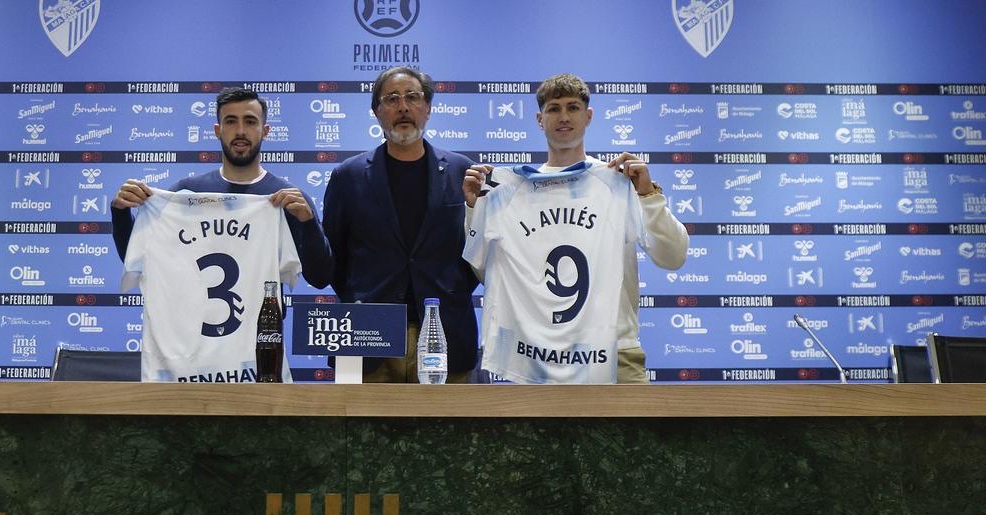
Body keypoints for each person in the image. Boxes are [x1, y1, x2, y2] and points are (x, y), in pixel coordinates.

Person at [463, 73, 688, 384]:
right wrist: (475, 210)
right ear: (540, 119)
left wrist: (649, 196)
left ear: (589, 116)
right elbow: (487, 272)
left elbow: (673, 257)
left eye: (573, 107)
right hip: (533, 357)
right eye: (554, 109)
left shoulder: (619, 183)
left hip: (615, 354)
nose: (564, 117)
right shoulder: (509, 192)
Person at [322, 67, 477, 383]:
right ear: (377, 112)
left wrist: (450, 291)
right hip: (367, 338)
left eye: (413, 97)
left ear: (429, 109)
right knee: (361, 432)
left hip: (445, 334)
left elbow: (476, 254)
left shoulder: (463, 172)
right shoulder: (347, 177)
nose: (403, 107)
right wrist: (366, 299)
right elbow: (333, 263)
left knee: (448, 431)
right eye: (391, 99)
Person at [110, 87, 332, 289]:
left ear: (265, 130)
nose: (241, 131)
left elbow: (320, 278)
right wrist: (120, 213)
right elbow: (140, 262)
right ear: (218, 130)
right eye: (231, 121)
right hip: (190, 329)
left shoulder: (289, 200)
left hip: (262, 331)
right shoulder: (186, 194)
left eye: (251, 121)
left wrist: (308, 223)